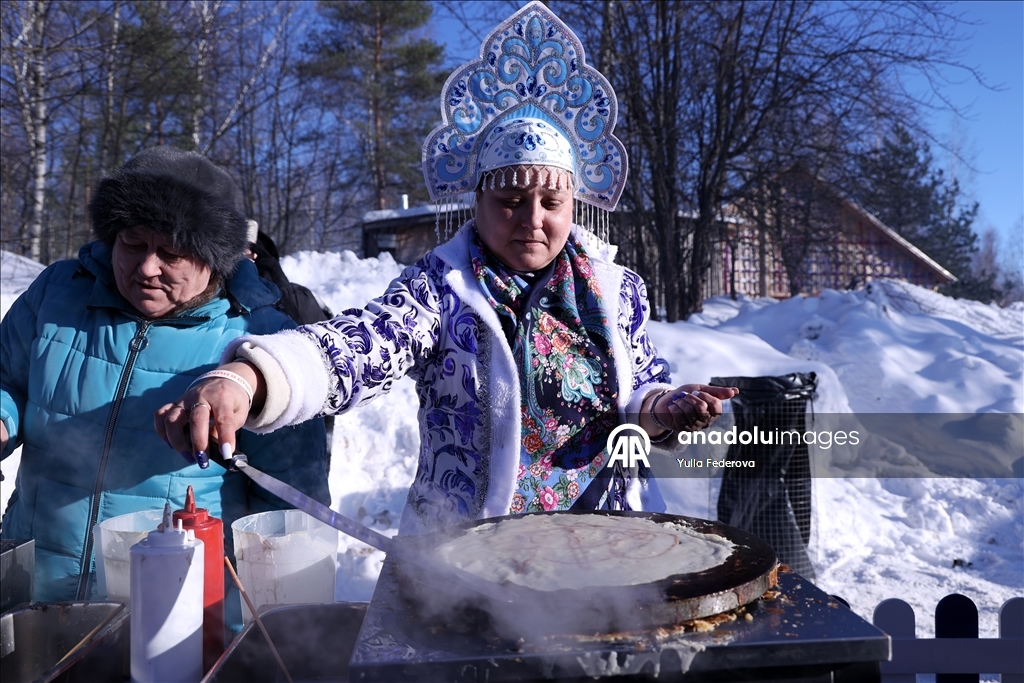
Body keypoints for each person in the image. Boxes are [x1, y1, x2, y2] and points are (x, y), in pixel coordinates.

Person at [155, 2, 736, 534]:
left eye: (551, 204)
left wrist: (668, 408)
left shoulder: (616, 291)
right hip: (464, 565)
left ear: (573, 206)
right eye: (509, 202)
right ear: (477, 203)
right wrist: (247, 379)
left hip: (604, 548)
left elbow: (639, 393)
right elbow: (357, 346)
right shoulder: (439, 290)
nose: (532, 220)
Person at [0, 146, 329, 603]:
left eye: (171, 253)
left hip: (178, 606)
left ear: (212, 258)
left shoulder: (262, 336)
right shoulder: (58, 293)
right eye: (133, 243)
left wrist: (270, 625)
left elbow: (290, 508)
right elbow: (8, 381)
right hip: (37, 583)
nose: (147, 267)